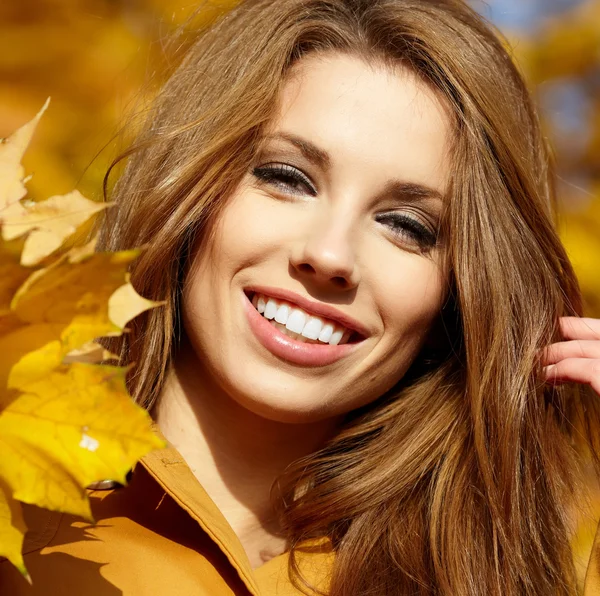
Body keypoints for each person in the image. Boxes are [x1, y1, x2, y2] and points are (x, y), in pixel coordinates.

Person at [2, 0, 600, 594]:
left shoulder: (476, 575)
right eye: (287, 178)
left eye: (407, 225)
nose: (331, 256)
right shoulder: (17, 486)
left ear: (458, 299)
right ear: (189, 189)